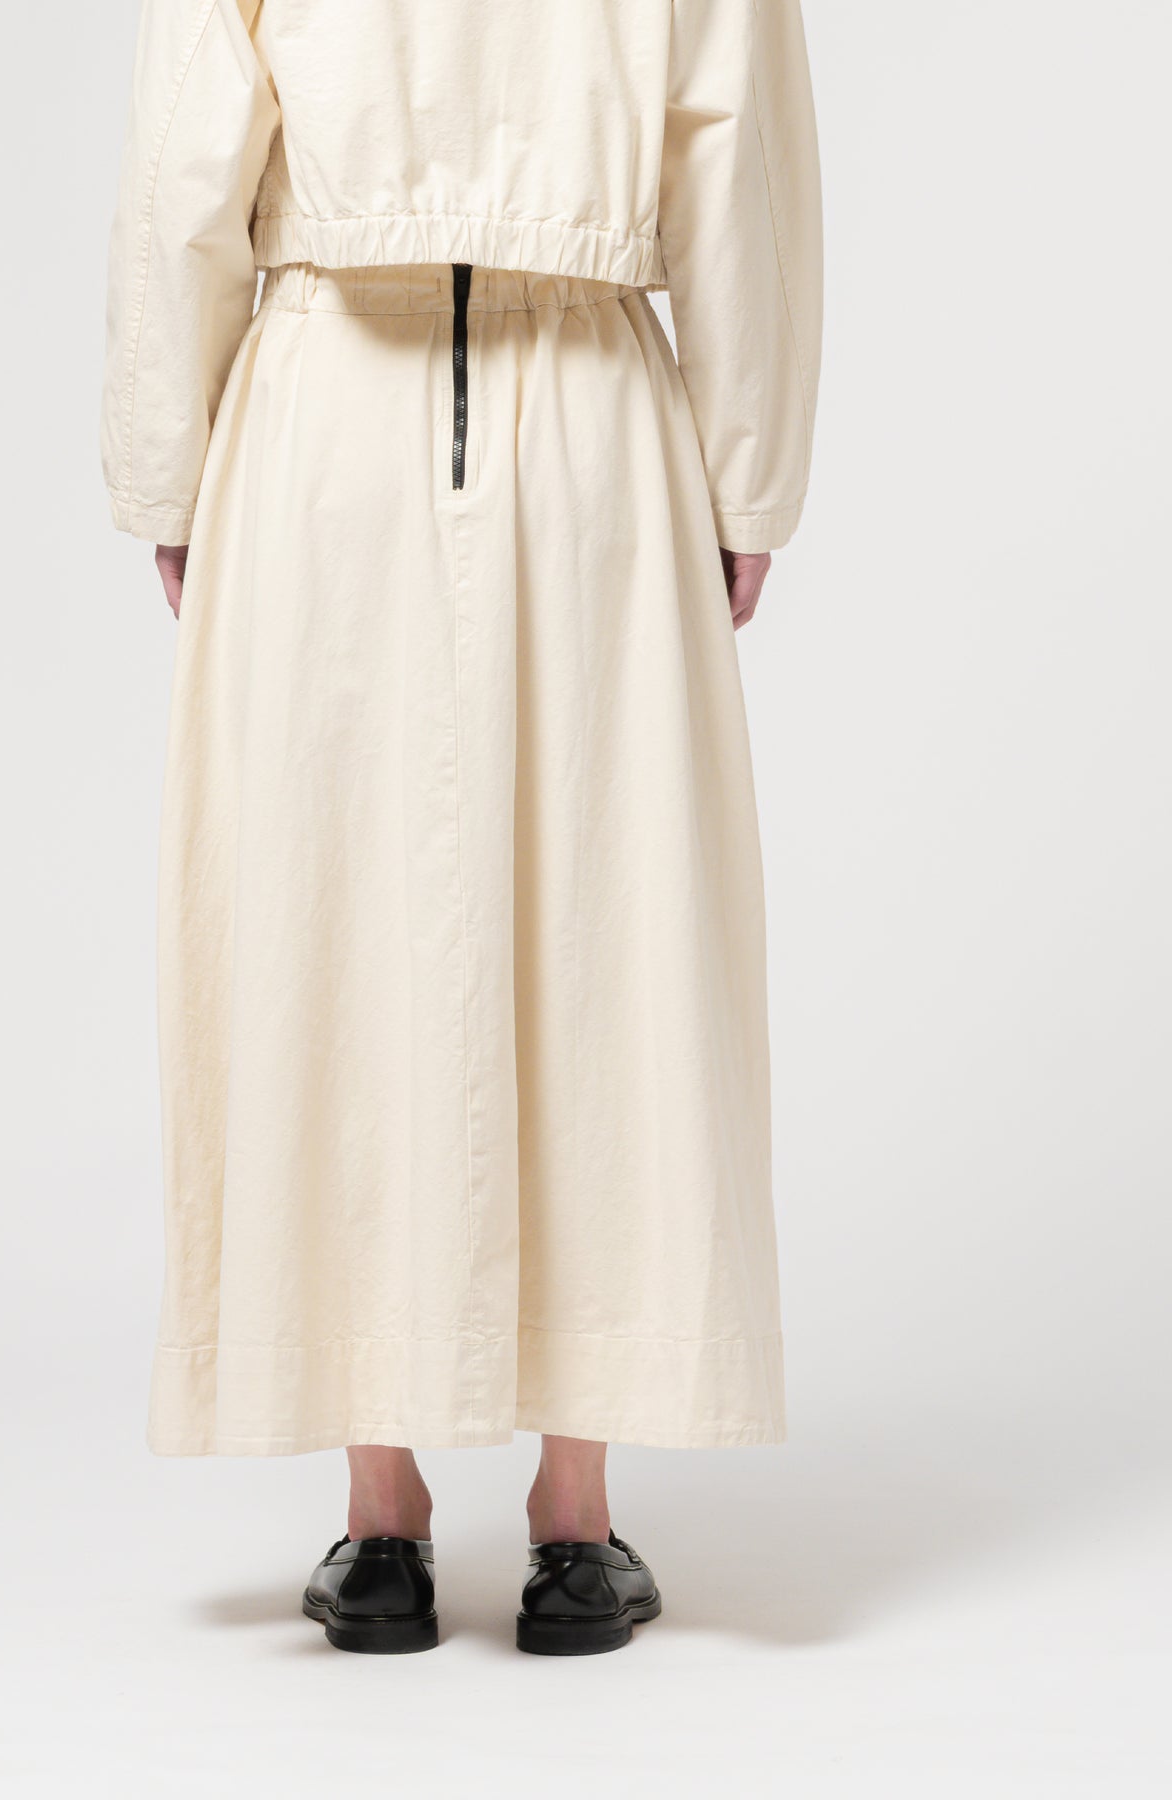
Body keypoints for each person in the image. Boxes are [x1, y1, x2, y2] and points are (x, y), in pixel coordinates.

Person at [101, 0, 822, 1656]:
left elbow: (184, 158)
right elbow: (741, 157)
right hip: (595, 419)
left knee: (330, 911)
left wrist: (163, 462)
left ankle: (381, 1522)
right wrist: (750, 471)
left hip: (322, 419)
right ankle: (576, 1517)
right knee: (611, 923)